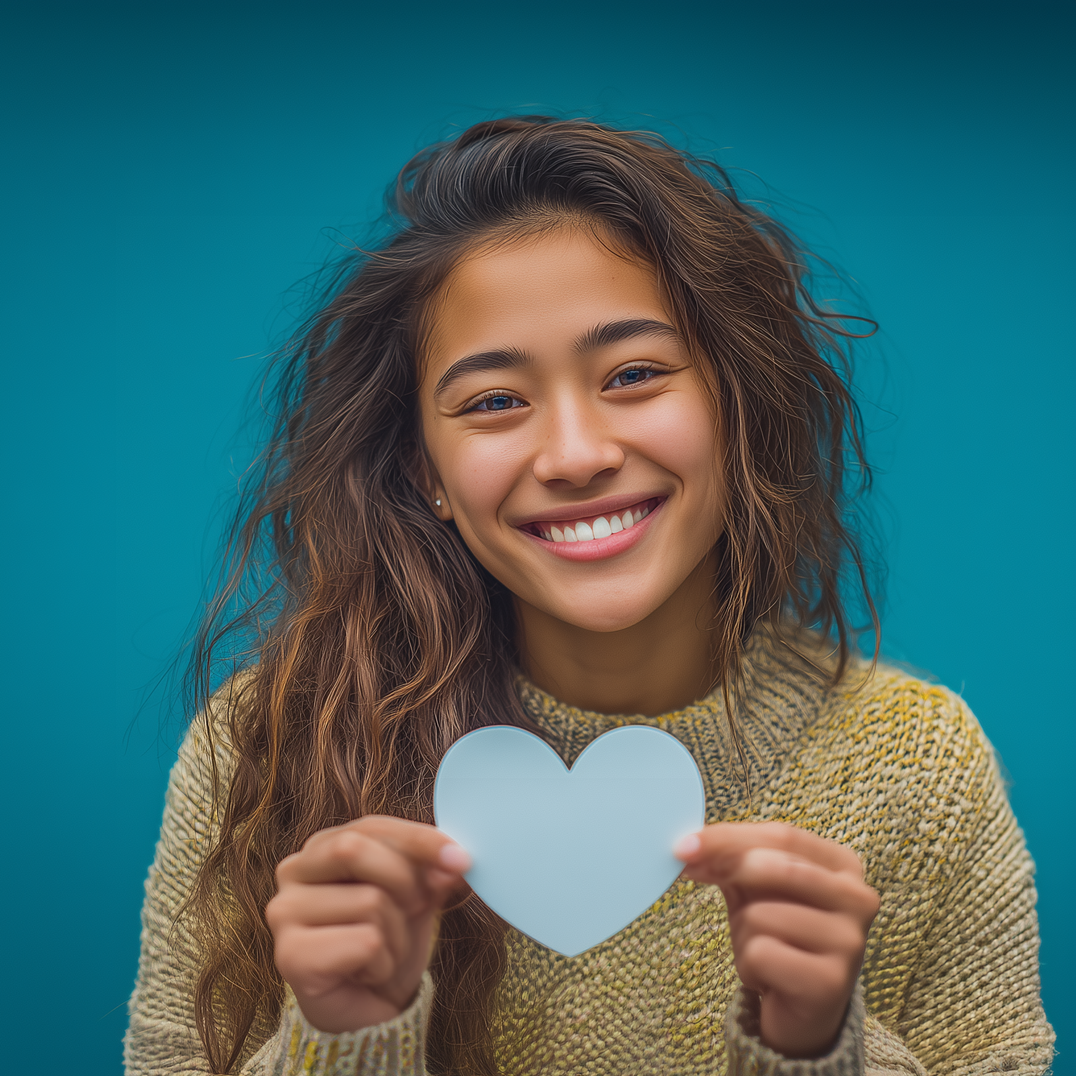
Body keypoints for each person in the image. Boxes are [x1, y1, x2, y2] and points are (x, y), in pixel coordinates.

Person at [124, 116, 1055, 1076]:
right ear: (426, 471)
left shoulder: (921, 770)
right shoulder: (267, 746)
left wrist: (814, 1050)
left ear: (737, 404)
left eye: (635, 374)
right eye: (495, 401)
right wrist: (344, 1038)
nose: (575, 455)